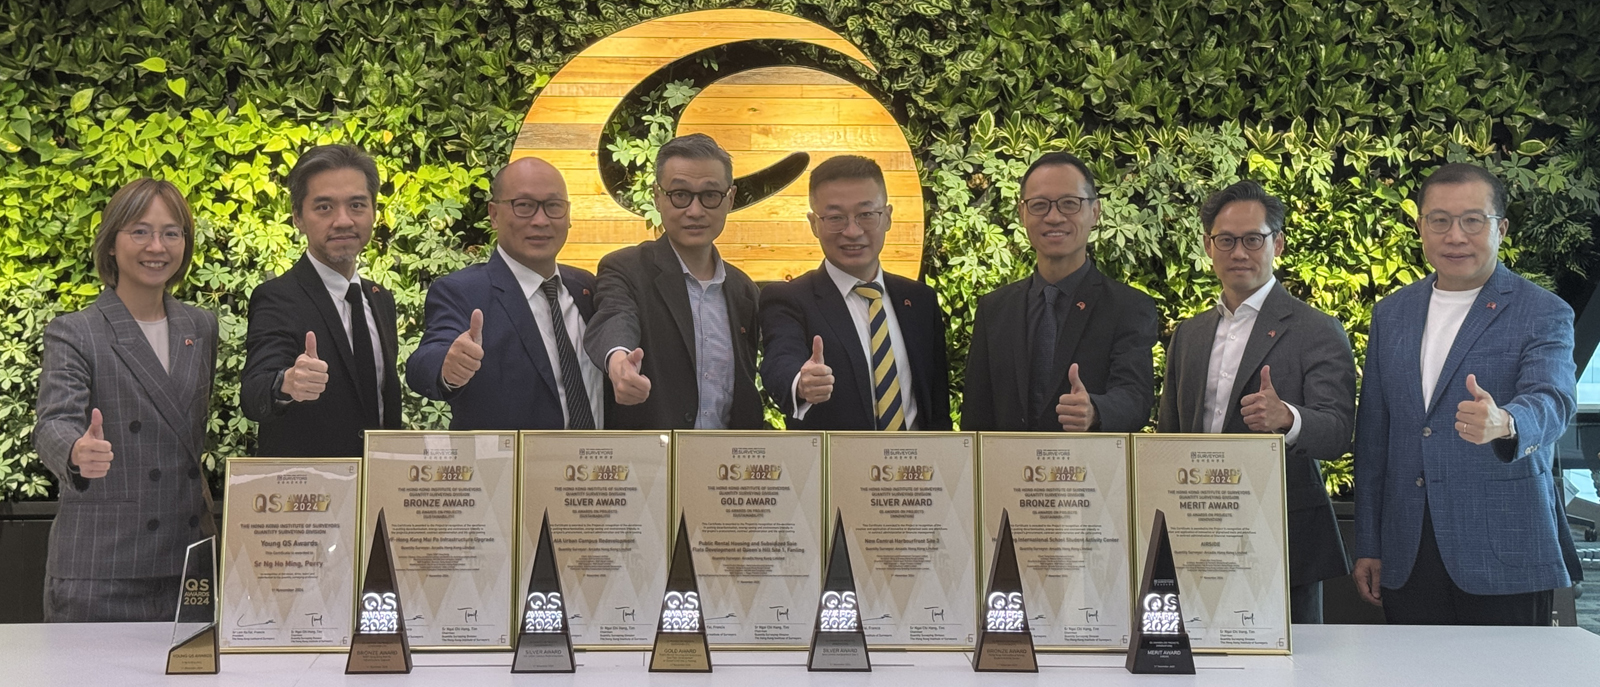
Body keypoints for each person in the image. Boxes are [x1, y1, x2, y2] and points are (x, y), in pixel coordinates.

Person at [1353, 162, 1578, 625]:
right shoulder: (1391, 314)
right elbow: (1374, 438)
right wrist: (1369, 545)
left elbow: (1553, 398)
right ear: (1421, 228)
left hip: (1505, 549)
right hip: (1408, 550)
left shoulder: (1542, 311)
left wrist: (1508, 422)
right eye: (1440, 220)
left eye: (1473, 220)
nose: (1455, 235)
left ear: (1500, 228)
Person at [1156, 180, 1355, 623]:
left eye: (1253, 239)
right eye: (1226, 240)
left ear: (1277, 243)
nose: (1239, 252)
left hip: (1281, 538)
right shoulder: (1189, 335)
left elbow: (1339, 431)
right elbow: (1167, 435)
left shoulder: (1317, 329)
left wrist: (1289, 419)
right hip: (1196, 534)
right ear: (1209, 246)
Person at [34, 179, 217, 621]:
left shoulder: (201, 326)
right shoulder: (76, 330)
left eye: (172, 233)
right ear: (112, 243)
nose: (157, 246)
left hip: (187, 560)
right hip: (101, 565)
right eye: (140, 231)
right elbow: (53, 422)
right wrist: (77, 451)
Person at [961, 152, 1159, 432]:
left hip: (1089, 471)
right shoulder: (994, 310)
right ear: (1022, 213)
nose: (1054, 217)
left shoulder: (1128, 307)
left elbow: (1135, 399)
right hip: (1008, 472)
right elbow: (976, 416)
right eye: (1039, 205)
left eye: (1069, 204)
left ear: (1095, 213)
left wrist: (1095, 410)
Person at [582, 133, 763, 430]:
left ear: (729, 198)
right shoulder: (627, 269)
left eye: (710, 195)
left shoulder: (743, 290)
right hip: (651, 466)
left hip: (726, 467)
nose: (695, 211)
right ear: (657, 195)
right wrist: (619, 363)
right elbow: (615, 317)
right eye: (680, 195)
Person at [406, 158, 603, 429]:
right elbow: (424, 360)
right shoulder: (462, 292)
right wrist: (448, 367)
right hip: (509, 468)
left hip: (599, 465)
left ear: (568, 216)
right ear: (494, 214)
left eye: (554, 206)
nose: (541, 220)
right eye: (524, 206)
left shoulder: (586, 287)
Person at [758, 155, 950, 430]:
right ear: (814, 224)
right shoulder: (791, 299)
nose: (852, 231)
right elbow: (780, 359)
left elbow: (936, 406)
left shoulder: (919, 301)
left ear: (887, 217)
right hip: (832, 468)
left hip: (916, 469)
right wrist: (802, 383)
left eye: (866, 215)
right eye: (835, 218)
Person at [241, 144, 401, 456]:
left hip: (380, 490)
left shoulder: (381, 300)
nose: (343, 221)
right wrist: (286, 383)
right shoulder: (277, 298)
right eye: (324, 207)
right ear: (298, 218)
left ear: (373, 212)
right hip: (312, 493)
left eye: (357, 205)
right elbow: (254, 392)